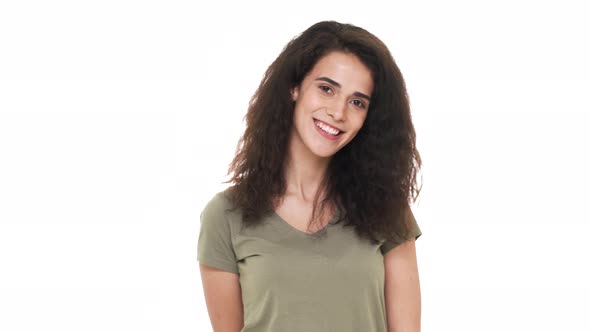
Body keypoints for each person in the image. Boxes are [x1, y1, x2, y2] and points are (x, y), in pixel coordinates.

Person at [197, 20, 423, 332]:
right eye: (326, 89)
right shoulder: (225, 216)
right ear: (294, 87)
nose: (338, 112)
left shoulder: (388, 210)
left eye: (357, 102)